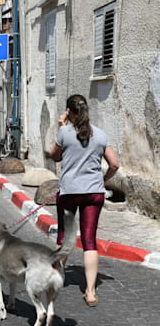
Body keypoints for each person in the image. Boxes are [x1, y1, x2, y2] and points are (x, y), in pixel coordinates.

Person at [50, 94, 119, 307]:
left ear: (69, 112)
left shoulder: (64, 132)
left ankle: (55, 282)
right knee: (90, 241)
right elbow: (114, 164)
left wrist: (62, 126)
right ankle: (90, 293)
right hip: (94, 193)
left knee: (64, 237)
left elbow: (54, 156)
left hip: (69, 192)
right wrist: (102, 179)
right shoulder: (100, 134)